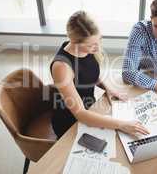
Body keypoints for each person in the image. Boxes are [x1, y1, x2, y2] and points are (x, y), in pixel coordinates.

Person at [50, 11, 149, 139]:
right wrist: (122, 125)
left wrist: (108, 89)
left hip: (91, 108)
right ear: (74, 41)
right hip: (70, 121)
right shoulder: (62, 67)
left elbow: (89, 73)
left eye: (99, 40)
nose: (97, 48)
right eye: (91, 45)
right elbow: (80, 113)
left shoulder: (86, 49)